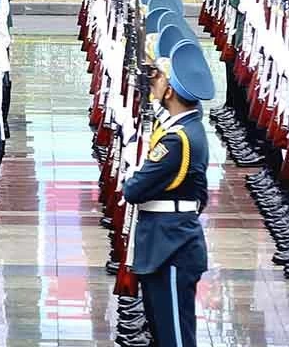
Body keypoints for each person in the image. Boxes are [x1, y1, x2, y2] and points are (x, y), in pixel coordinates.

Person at [122, 37, 212, 347]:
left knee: (174, 337)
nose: (152, 83)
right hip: (169, 241)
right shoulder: (184, 130)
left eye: (157, 76)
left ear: (171, 89)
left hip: (170, 247)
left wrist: (133, 173)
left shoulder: (177, 141)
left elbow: (133, 189)